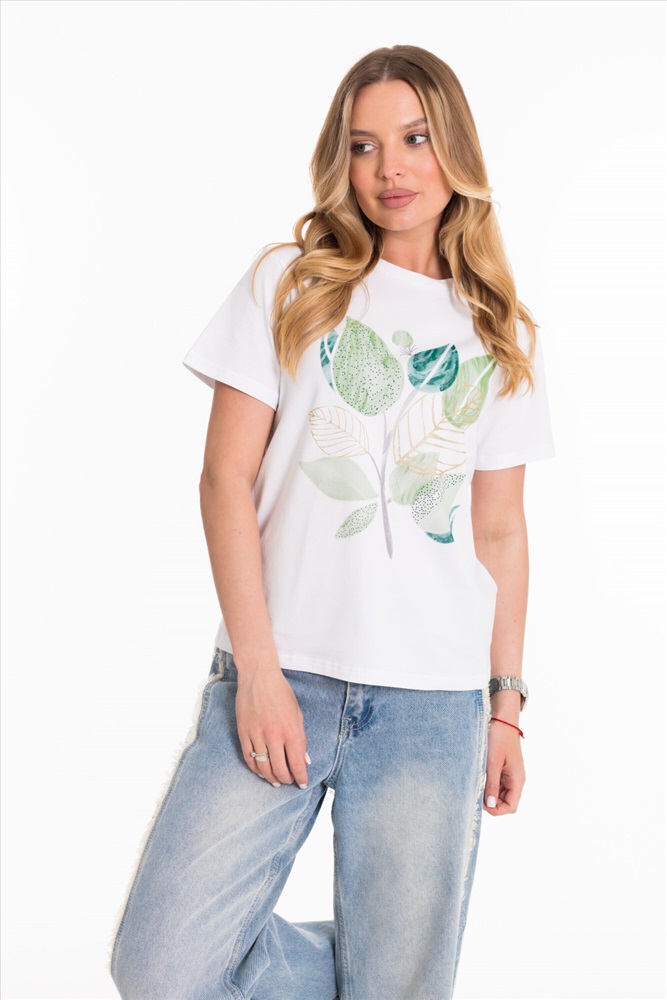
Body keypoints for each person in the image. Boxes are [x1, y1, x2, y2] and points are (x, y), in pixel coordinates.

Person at [109, 44, 555, 1000]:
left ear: (456, 150)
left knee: (400, 985)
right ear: (340, 160)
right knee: (162, 967)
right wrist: (258, 671)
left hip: (433, 707)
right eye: (362, 145)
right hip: (285, 678)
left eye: (415, 139)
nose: (389, 168)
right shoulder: (292, 284)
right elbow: (223, 480)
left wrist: (505, 708)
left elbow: (500, 535)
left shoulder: (499, 332)